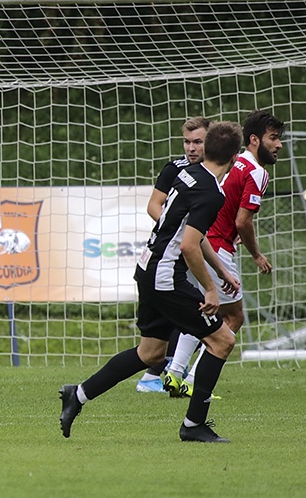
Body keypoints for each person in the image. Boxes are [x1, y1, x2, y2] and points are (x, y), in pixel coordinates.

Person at [59, 121, 243, 443]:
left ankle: (80, 394)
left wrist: (222, 272)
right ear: (235, 156)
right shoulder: (212, 192)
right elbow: (188, 245)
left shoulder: (188, 175)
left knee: (151, 353)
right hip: (165, 277)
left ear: (208, 146)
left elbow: (190, 237)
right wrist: (211, 289)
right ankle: (193, 425)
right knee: (223, 340)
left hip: (148, 268)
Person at [162, 110, 283, 398]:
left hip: (201, 239)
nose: (279, 145)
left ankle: (175, 373)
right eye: (274, 138)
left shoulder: (233, 161)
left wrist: (232, 229)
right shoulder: (257, 172)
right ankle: (194, 379)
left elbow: (227, 212)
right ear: (254, 140)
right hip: (214, 248)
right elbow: (243, 221)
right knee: (233, 317)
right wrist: (256, 254)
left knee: (203, 311)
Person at [135, 116, 211, 393]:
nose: (191, 148)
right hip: (174, 251)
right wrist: (180, 227)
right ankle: (167, 373)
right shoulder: (174, 170)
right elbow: (154, 205)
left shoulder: (217, 173)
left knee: (198, 310)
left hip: (202, 247)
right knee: (199, 310)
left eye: (198, 142)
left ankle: (172, 371)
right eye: (187, 142)